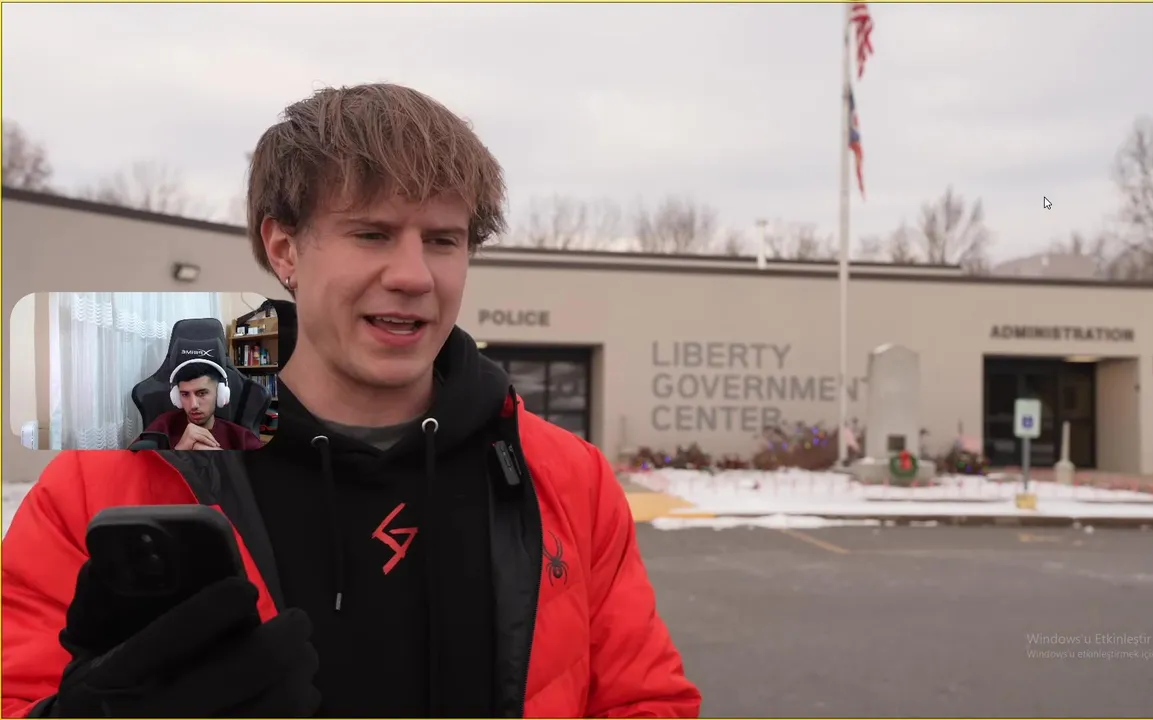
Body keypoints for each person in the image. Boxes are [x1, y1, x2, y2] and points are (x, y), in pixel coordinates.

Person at [1, 83, 702, 719]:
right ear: (285, 249)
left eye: (443, 240)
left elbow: (645, 703)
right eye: (372, 234)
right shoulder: (108, 482)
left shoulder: (567, 478)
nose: (414, 275)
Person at [140, 359, 264, 450]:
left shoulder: (242, 438)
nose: (193, 405)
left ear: (219, 394)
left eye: (202, 393)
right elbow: (134, 466)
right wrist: (179, 451)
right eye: (185, 394)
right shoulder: (163, 426)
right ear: (176, 397)